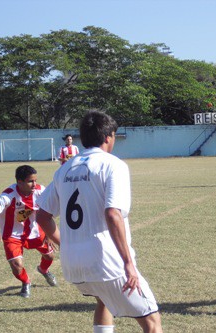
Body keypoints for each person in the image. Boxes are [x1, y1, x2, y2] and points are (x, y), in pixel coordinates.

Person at [36, 111, 163, 333]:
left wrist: (66, 245)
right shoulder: (113, 165)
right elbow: (113, 214)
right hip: (107, 262)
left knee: (103, 300)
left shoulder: (64, 169)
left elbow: (42, 216)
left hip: (73, 265)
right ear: (108, 137)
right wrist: (128, 264)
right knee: (152, 322)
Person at [0, 165, 57, 298]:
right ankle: (26, 282)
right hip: (13, 235)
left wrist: (49, 234)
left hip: (36, 231)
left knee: (50, 256)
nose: (34, 184)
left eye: (35, 180)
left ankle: (43, 270)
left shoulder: (41, 191)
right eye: (30, 181)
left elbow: (48, 212)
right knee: (16, 265)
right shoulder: (8, 195)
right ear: (20, 182)